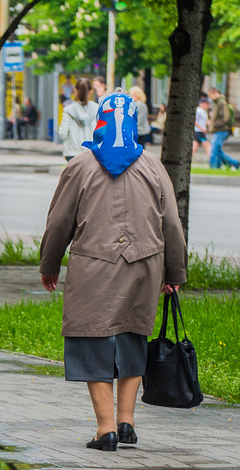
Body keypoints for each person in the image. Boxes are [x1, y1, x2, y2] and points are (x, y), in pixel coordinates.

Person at [39, 90, 187, 452]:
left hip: (93, 266)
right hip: (144, 265)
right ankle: (127, 422)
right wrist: (174, 273)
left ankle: (105, 429)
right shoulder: (153, 165)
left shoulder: (81, 165)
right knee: (133, 337)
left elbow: (59, 223)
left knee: (93, 341)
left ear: (100, 121)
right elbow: (171, 225)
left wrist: (50, 263)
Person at [58, 78, 98, 162]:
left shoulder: (68, 110)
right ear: (91, 91)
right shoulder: (97, 109)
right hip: (91, 153)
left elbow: (63, 134)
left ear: (75, 90)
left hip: (72, 153)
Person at [207, 87, 239, 170]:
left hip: (221, 130)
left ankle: (214, 167)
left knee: (214, 150)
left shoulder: (221, 103)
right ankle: (233, 164)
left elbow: (225, 118)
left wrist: (215, 125)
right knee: (217, 150)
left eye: (210, 95)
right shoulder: (218, 103)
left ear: (214, 93)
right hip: (220, 130)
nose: (210, 97)